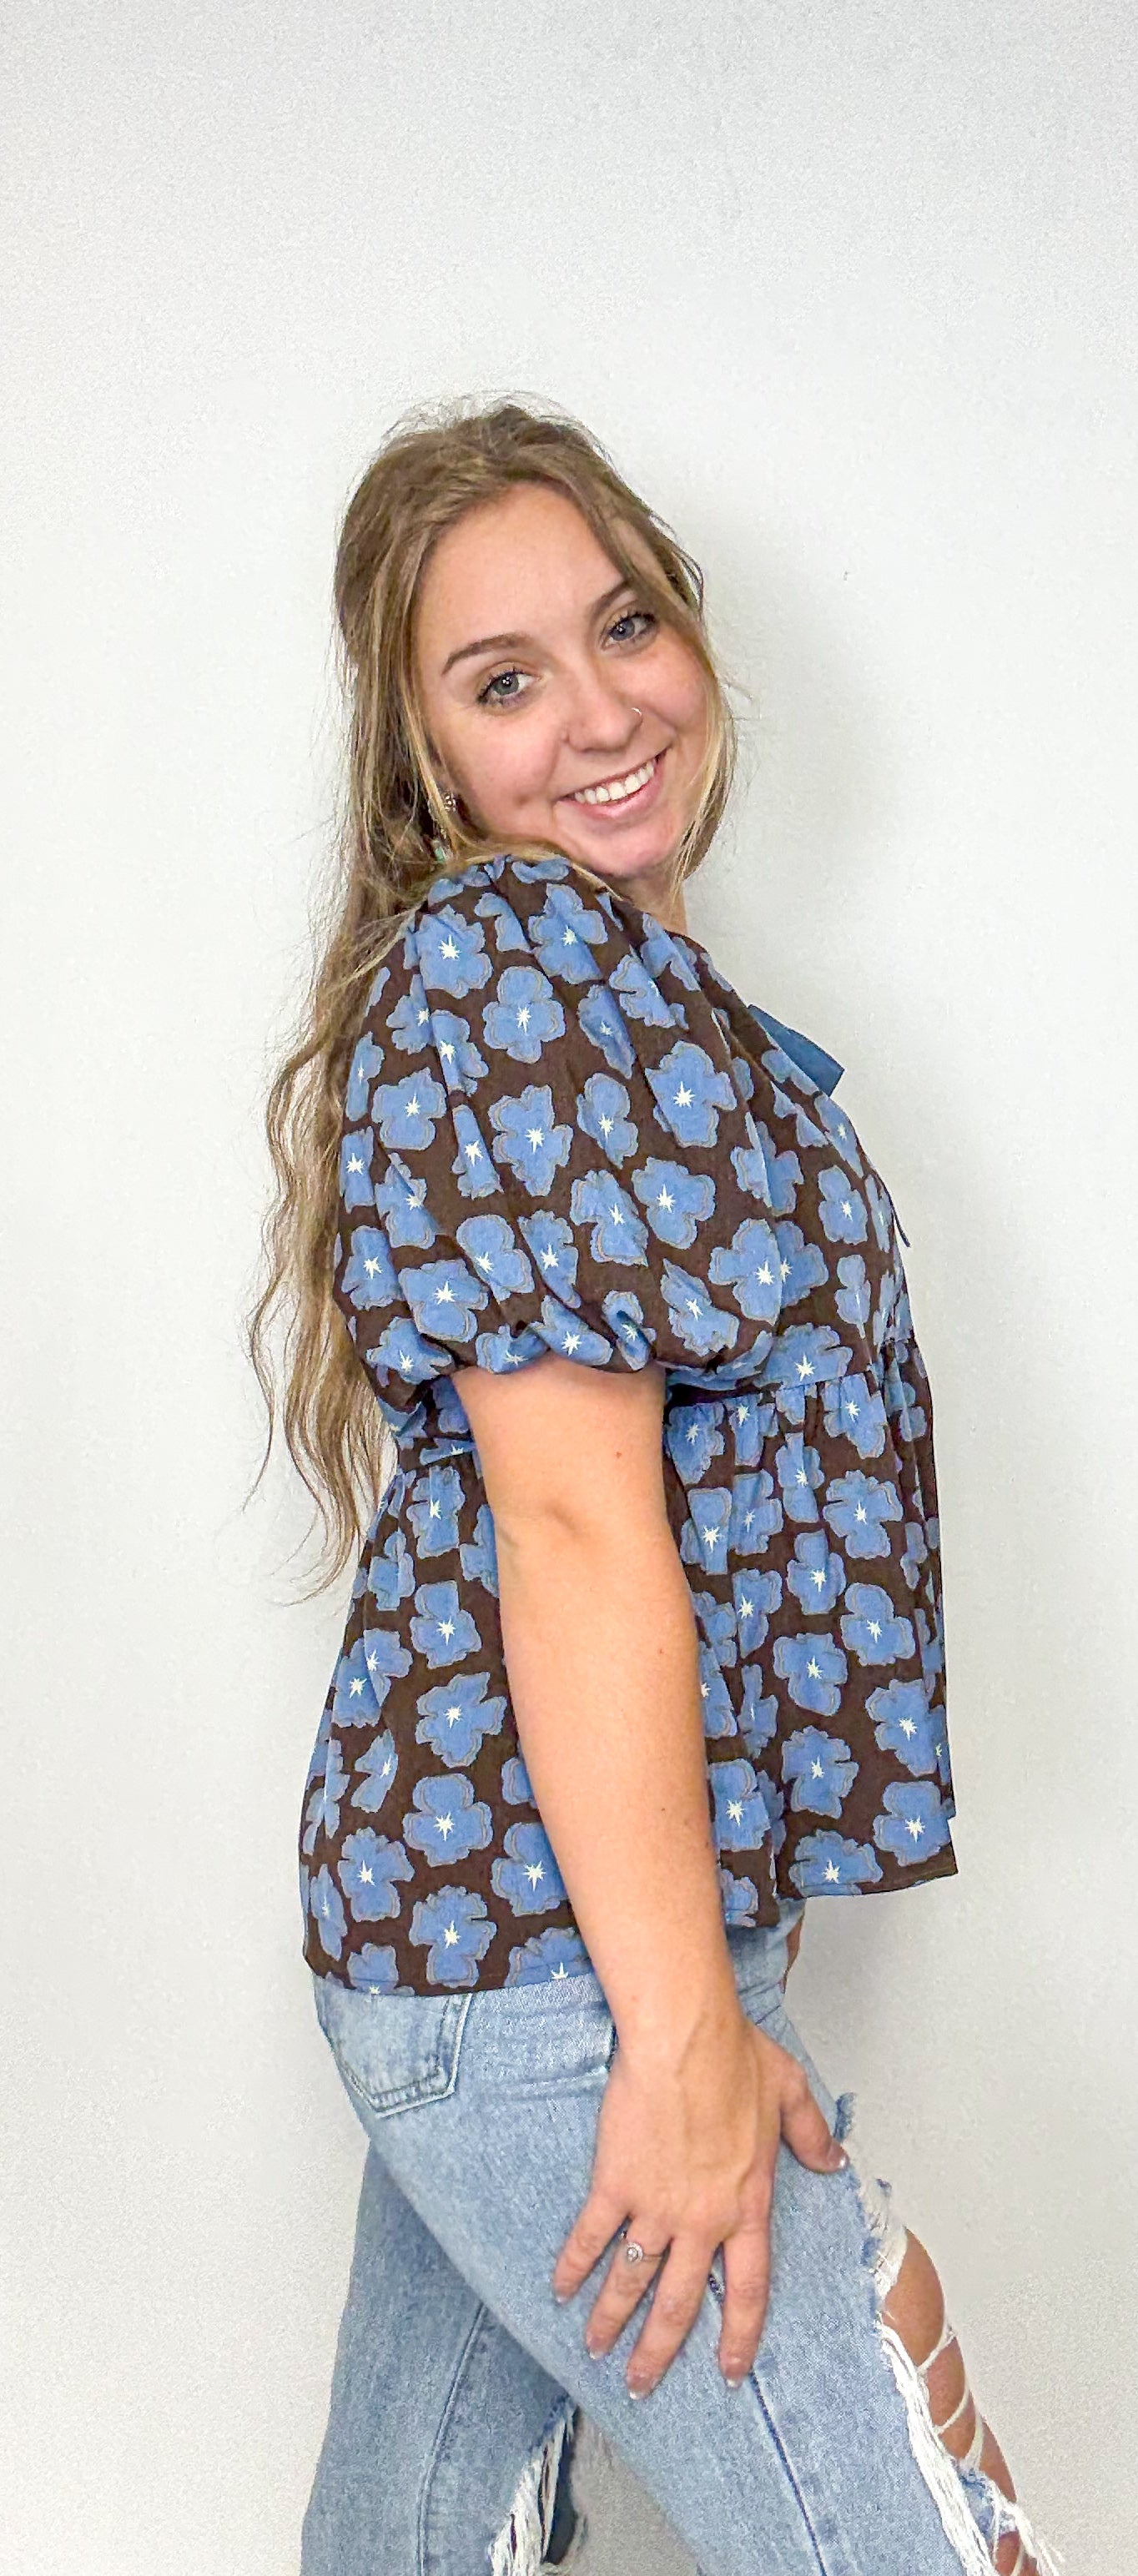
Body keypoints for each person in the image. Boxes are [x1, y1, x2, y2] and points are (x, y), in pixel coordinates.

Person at [250, 401, 1060, 2576]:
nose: (600, 714)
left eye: (624, 628)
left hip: (543, 1930)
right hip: (552, 1954)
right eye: (502, 679)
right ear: (424, 757)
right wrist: (687, 2035)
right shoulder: (515, 969)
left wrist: (704, 1982)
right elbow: (575, 1521)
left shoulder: (640, 998)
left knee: (415, 2541)